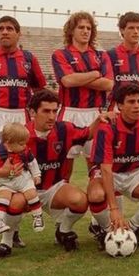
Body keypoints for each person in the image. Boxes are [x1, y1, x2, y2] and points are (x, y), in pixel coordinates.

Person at [0, 90, 97, 260]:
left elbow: (88, 133)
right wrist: (2, 172)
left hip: (53, 188)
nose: (52, 116)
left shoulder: (65, 129)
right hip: (24, 189)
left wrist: (100, 119)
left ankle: (63, 231)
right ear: (32, 112)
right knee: (15, 203)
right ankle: (6, 242)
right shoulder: (17, 135)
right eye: (46, 111)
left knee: (80, 200)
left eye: (55, 111)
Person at [0, 15, 46, 251]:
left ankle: (12, 232)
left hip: (20, 119)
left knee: (20, 175)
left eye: (9, 28)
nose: (4, 32)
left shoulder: (28, 59)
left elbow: (39, 88)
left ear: (18, 33)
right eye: (1, 28)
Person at [88, 83, 139, 248]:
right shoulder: (107, 128)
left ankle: (131, 227)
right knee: (96, 195)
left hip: (135, 172)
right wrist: (114, 208)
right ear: (119, 105)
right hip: (109, 172)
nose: (137, 105)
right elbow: (105, 169)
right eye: (131, 102)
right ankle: (108, 230)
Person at [51, 11, 114, 182]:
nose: (86, 31)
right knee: (63, 173)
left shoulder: (101, 55)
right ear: (71, 30)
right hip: (69, 113)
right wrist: (94, 74)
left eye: (89, 28)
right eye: (81, 27)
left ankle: (100, 206)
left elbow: (108, 84)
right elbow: (67, 81)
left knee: (98, 171)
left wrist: (77, 77)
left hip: (95, 114)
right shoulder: (60, 54)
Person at [0, 122, 44, 234]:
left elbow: (32, 162)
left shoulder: (25, 151)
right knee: (3, 198)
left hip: (23, 179)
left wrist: (36, 175)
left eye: (25, 143)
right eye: (21, 144)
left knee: (31, 193)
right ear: (8, 142)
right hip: (5, 182)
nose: (24, 146)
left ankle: (37, 216)